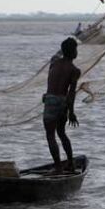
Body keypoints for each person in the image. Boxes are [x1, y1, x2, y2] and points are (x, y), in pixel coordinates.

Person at [43, 37, 81, 174]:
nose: (77, 52)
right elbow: (71, 94)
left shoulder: (54, 62)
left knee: (50, 136)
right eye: (76, 49)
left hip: (50, 101)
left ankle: (58, 167)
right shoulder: (74, 70)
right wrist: (71, 112)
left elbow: (58, 53)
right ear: (73, 52)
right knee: (61, 133)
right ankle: (70, 163)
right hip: (62, 103)